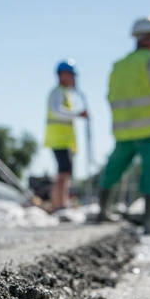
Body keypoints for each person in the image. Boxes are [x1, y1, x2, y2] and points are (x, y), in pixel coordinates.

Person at [98, 15, 150, 233]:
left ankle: (102, 212)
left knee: (113, 170)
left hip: (124, 130)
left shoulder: (120, 65)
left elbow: (110, 97)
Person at [44, 60, 88, 211]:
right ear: (63, 75)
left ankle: (61, 203)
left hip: (65, 140)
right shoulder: (57, 92)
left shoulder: (66, 93)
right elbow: (57, 111)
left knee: (65, 172)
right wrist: (77, 114)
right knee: (63, 173)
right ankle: (58, 204)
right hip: (58, 139)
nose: (73, 79)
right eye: (72, 75)